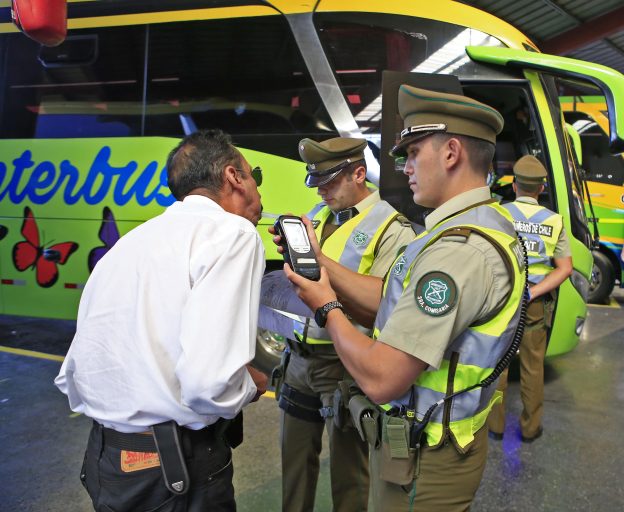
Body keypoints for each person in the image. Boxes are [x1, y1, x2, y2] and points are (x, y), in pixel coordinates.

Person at [278, 84, 526, 510]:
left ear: (451, 153)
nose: (404, 167)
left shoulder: (458, 251)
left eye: (412, 153)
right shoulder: (479, 223)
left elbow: (381, 378)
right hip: (432, 440)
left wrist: (327, 306)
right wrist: (320, 263)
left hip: (425, 454)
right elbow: (392, 305)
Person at [55, 129, 269, 512]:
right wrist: (249, 386)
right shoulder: (233, 233)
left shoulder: (132, 242)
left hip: (108, 460)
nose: (256, 187)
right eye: (254, 175)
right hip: (176, 472)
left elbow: (81, 365)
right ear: (234, 177)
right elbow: (209, 384)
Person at [277, 137, 414, 512]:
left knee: (349, 476)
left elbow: (384, 305)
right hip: (298, 361)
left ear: (358, 173)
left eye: (330, 180)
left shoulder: (393, 228)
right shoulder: (318, 214)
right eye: (317, 181)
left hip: (345, 364)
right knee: (294, 471)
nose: (321, 190)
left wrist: (319, 262)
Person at [487, 155, 573, 442]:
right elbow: (565, 268)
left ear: (514, 185)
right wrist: (534, 291)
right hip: (533, 304)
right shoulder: (555, 221)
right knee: (533, 367)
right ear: (541, 188)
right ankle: (530, 427)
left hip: (501, 302)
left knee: (498, 364)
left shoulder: (498, 214)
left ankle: (495, 426)